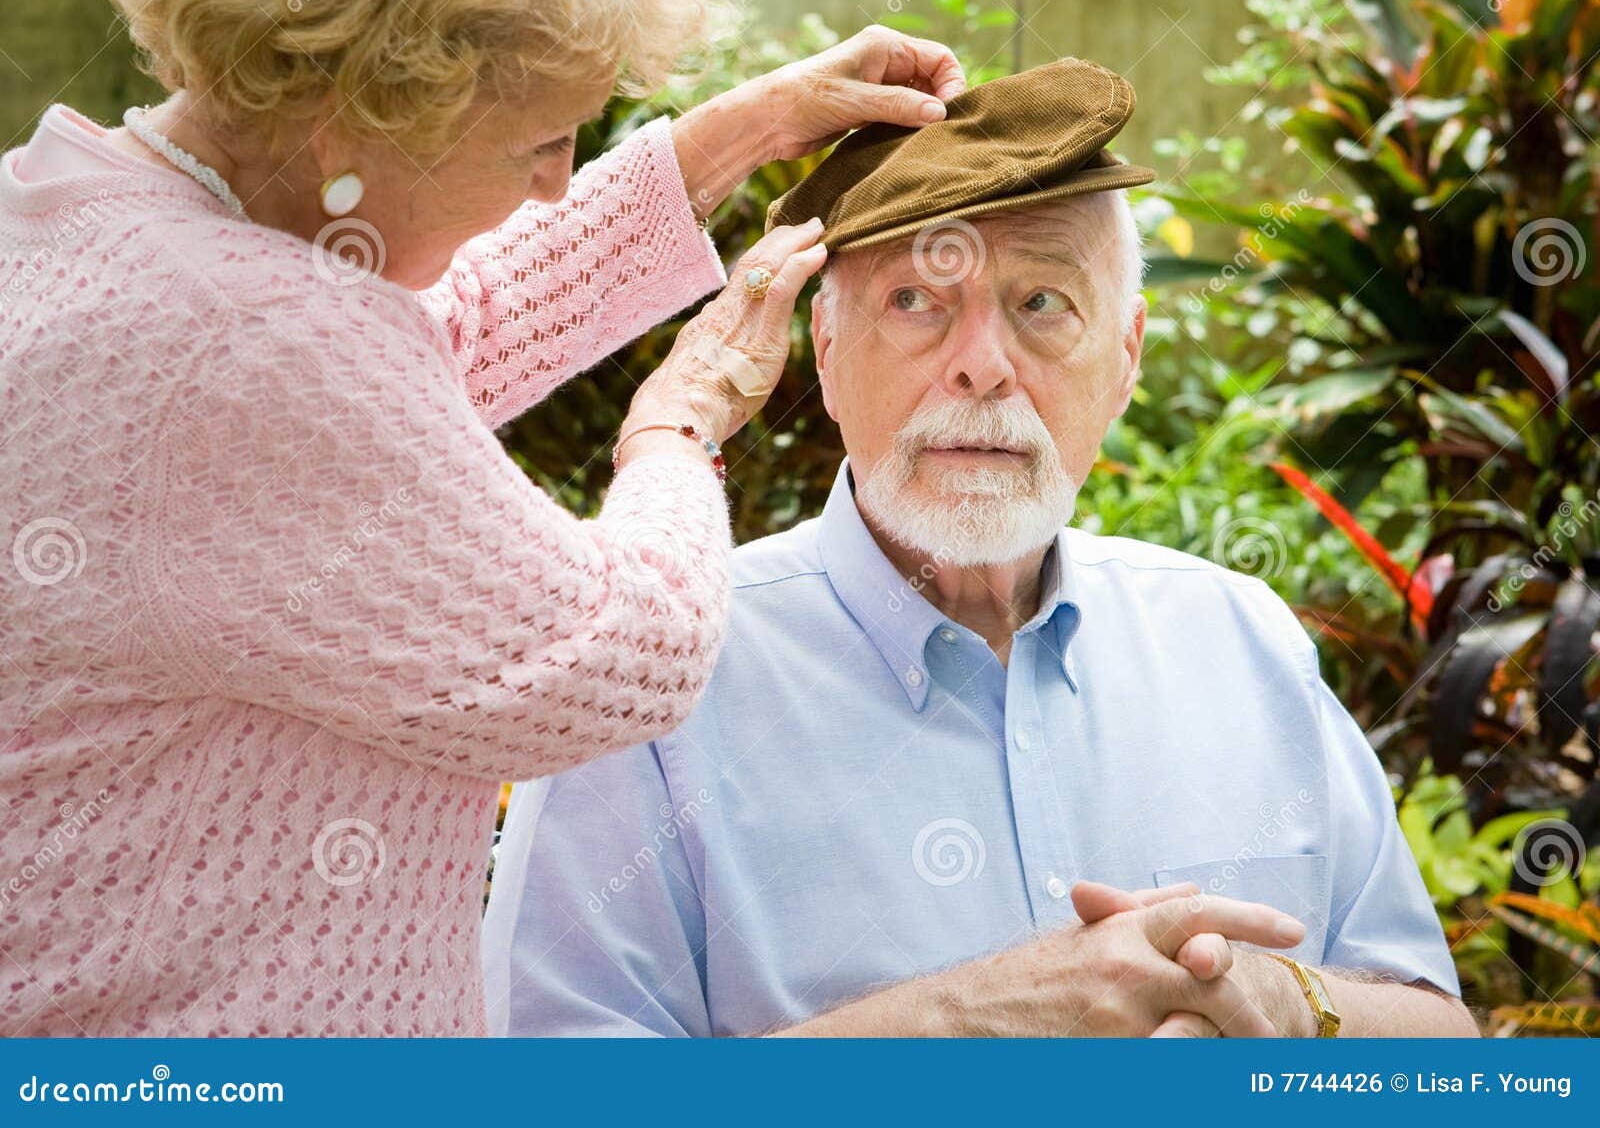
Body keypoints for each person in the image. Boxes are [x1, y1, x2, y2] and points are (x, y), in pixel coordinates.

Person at [0, 0, 964, 1036]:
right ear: (374, 107)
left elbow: (431, 343)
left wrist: (743, 131)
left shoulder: (78, 212)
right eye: (542, 140)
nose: (555, 183)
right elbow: (616, 656)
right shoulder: (265, 339)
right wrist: (679, 428)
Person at [486, 59, 1476, 1038]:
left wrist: (1290, 1001)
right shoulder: (650, 690)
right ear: (823, 352)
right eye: (916, 301)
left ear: (1125, 356)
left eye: (1043, 302)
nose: (982, 366)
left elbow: (1444, 1049)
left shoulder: (1239, 640)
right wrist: (961, 1024)